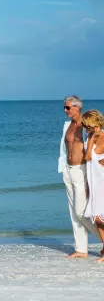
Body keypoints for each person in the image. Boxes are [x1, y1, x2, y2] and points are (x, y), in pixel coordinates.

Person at [58, 95, 101, 258]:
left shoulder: (87, 125)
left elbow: (100, 139)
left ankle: (102, 239)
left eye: (68, 107)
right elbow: (65, 147)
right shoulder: (67, 125)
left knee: (81, 211)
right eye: (64, 107)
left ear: (78, 107)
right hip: (68, 170)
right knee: (73, 212)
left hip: (82, 170)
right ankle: (81, 249)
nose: (65, 110)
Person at [82, 110, 104, 262]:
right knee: (96, 217)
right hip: (94, 182)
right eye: (85, 126)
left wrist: (90, 142)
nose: (86, 129)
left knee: (98, 216)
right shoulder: (90, 136)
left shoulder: (102, 136)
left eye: (87, 126)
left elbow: (88, 156)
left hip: (102, 180)